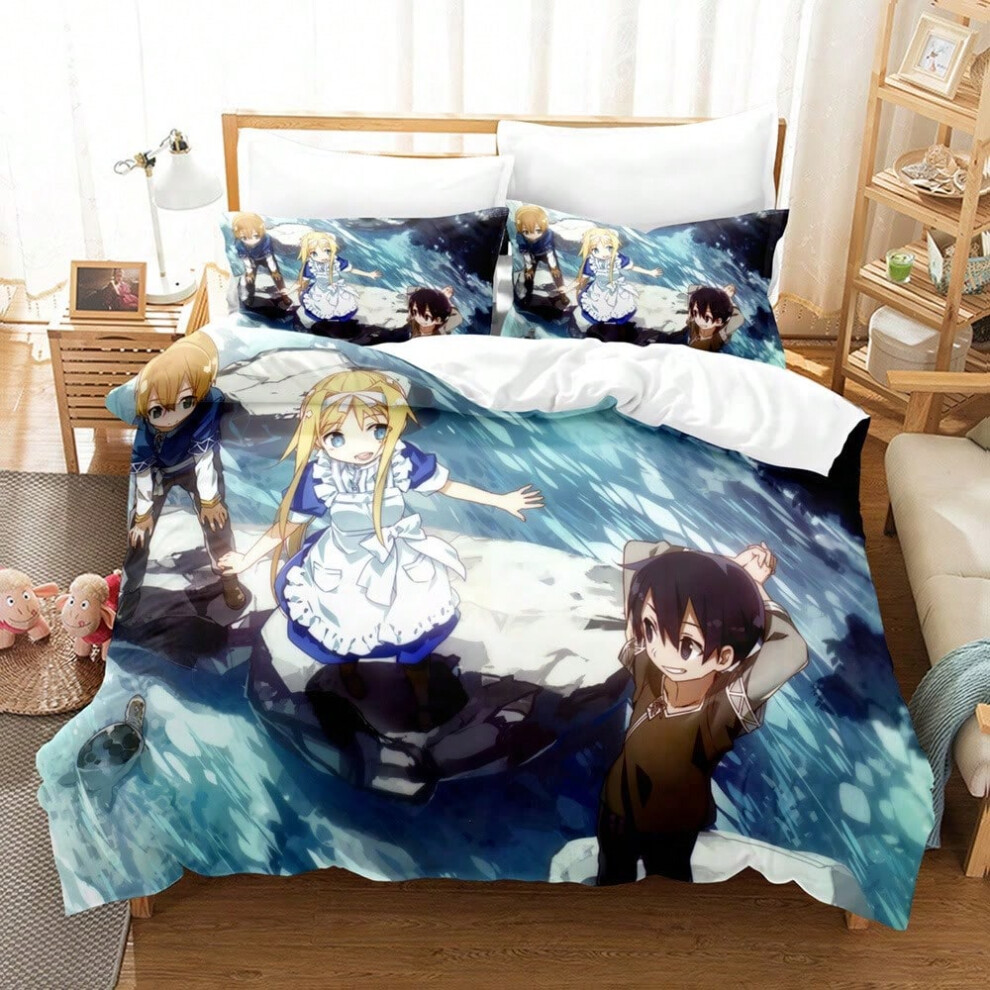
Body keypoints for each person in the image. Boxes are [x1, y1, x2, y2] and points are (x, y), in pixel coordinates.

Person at [219, 369, 544, 729]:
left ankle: (422, 698)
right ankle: (348, 675)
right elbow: (287, 527)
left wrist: (500, 500)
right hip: (342, 567)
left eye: (376, 430)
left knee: (413, 637)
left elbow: (447, 487)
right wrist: (246, 559)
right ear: (319, 436)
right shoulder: (321, 476)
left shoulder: (401, 459)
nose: (362, 447)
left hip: (400, 562)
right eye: (338, 436)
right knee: (342, 629)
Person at [597, 539, 808, 885]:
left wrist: (750, 585)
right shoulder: (648, 666)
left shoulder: (724, 705)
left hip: (672, 826)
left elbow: (792, 649)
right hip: (616, 809)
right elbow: (637, 551)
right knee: (611, 876)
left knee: (669, 885)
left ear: (724, 657)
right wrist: (724, 568)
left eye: (686, 645)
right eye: (651, 628)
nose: (662, 650)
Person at [117, 332, 247, 622]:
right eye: (158, 409)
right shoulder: (146, 433)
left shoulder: (209, 403)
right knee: (139, 531)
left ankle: (228, 577)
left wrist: (210, 501)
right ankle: (131, 588)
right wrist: (143, 515)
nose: (172, 415)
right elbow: (143, 473)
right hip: (159, 470)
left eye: (185, 402)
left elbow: (205, 457)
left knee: (218, 519)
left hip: (195, 463)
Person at [571, 227, 663, 341]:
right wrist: (567, 288)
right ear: (590, 249)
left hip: (616, 289)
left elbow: (632, 267)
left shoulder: (617, 258)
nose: (605, 253)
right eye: (596, 250)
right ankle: (602, 329)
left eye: (609, 248)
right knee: (600, 310)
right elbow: (581, 279)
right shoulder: (591, 262)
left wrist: (650, 272)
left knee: (618, 309)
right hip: (599, 291)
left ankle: (618, 330)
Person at [295, 230, 381, 333]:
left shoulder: (336, 261)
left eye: (327, 251)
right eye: (314, 253)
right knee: (323, 309)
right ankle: (324, 326)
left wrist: (368, 274)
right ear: (309, 254)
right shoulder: (310, 266)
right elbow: (301, 281)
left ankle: (342, 326)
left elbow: (351, 270)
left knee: (342, 307)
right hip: (320, 292)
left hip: (338, 290)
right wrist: (288, 291)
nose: (323, 256)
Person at [231, 212, 293, 310]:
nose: (251, 241)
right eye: (244, 238)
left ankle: (284, 296)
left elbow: (269, 257)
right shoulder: (239, 243)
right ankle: (250, 296)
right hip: (251, 260)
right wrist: (250, 272)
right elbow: (245, 259)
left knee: (277, 276)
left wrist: (274, 271)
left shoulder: (266, 238)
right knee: (250, 279)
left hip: (265, 257)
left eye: (255, 236)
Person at [514, 204, 566, 303]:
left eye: (538, 230)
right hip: (532, 255)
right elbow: (526, 254)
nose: (533, 235)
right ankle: (528, 295)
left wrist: (554, 268)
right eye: (526, 231)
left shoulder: (548, 233)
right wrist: (529, 269)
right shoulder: (520, 236)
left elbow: (550, 253)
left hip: (546, 253)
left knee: (556, 273)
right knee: (528, 275)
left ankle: (562, 295)